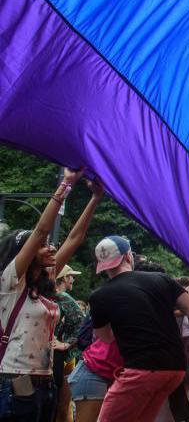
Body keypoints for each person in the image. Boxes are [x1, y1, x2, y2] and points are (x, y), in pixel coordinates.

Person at [0, 168, 100, 422]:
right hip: (14, 380)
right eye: (43, 246)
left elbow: (75, 238)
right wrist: (66, 184)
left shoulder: (44, 282)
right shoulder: (10, 283)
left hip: (45, 381)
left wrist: (96, 199)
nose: (51, 247)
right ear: (27, 251)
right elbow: (40, 231)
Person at [88, 235, 189, 422]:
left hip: (140, 370)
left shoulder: (99, 296)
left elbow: (106, 337)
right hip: (175, 370)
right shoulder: (161, 279)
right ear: (128, 256)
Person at [50, 264, 84, 422]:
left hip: (60, 357)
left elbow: (82, 324)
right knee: (61, 405)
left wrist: (65, 344)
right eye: (71, 276)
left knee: (61, 404)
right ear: (64, 277)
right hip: (59, 357)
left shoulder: (62, 297)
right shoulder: (58, 296)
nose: (73, 279)